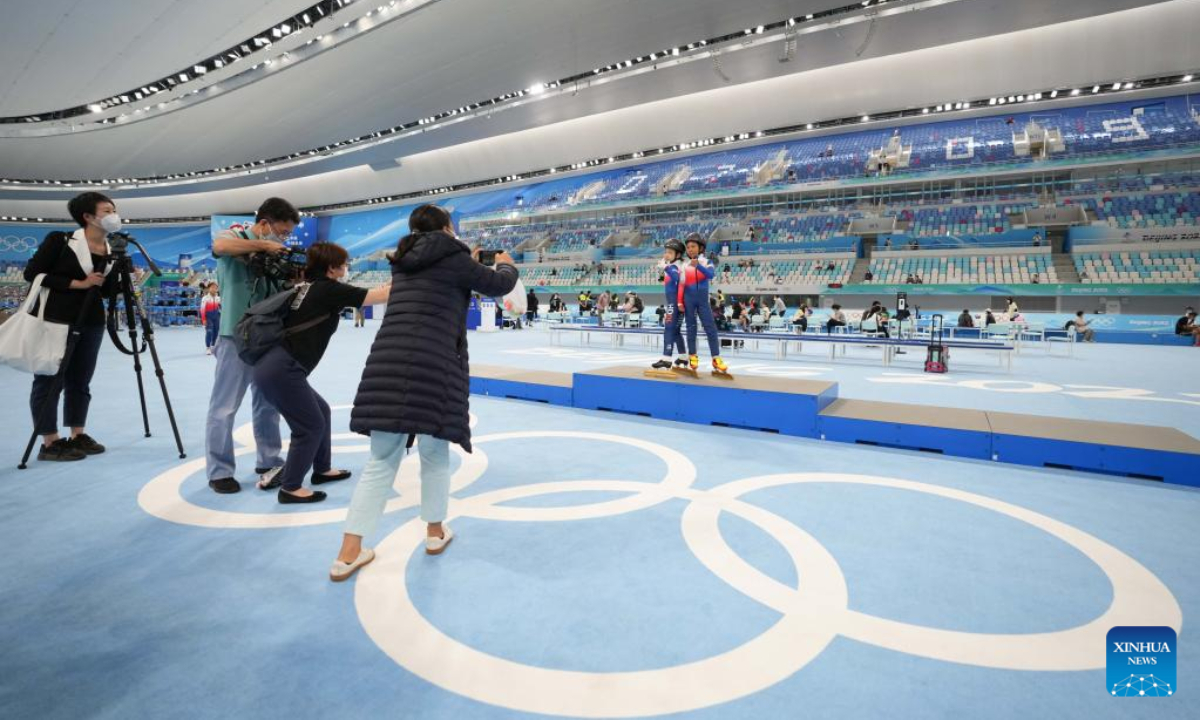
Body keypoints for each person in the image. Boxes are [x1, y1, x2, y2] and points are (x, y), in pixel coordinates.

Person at [332, 205, 518, 581]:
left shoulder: (401, 262)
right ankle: (434, 533)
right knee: (435, 454)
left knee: (381, 461)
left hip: (388, 360)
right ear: (448, 229)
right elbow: (500, 285)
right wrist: (507, 263)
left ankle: (347, 553)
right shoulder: (454, 257)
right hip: (434, 363)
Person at [251, 243, 391, 504]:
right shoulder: (329, 289)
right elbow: (379, 296)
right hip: (283, 369)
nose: (346, 267)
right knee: (309, 427)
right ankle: (290, 487)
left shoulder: (306, 287)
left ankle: (322, 469)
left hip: (273, 364)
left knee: (321, 411)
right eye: (344, 263)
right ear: (331, 268)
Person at [205, 197, 296, 494]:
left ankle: (269, 460)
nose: (282, 238)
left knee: (269, 404)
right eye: (280, 232)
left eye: (286, 235)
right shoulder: (235, 236)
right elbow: (220, 247)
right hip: (235, 336)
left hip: (269, 336)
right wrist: (265, 246)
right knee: (224, 407)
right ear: (263, 223)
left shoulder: (279, 254)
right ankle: (219, 471)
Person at [23, 192, 120, 462]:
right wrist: (80, 283)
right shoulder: (60, 240)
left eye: (114, 209)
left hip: (92, 321)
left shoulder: (113, 249)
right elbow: (32, 274)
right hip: (57, 319)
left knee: (81, 380)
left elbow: (106, 291)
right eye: (107, 210)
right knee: (49, 378)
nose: (114, 215)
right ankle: (49, 442)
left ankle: (78, 434)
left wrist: (122, 278)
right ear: (88, 216)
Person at [679, 233, 730, 375]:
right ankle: (692, 356)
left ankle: (716, 358)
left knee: (710, 328)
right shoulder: (684, 265)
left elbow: (710, 275)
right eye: (688, 247)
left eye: (693, 246)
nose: (690, 249)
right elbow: (681, 285)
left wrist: (698, 266)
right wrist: (679, 302)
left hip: (703, 301)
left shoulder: (707, 261)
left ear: (701, 247)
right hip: (688, 301)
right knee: (691, 328)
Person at [650, 239, 689, 371]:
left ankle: (666, 359)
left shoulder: (675, 266)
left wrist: (665, 267)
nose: (666, 254)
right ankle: (683, 357)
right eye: (666, 252)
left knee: (669, 329)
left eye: (670, 252)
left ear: (678, 255)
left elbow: (676, 278)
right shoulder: (676, 265)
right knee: (676, 331)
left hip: (674, 303)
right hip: (678, 303)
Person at [200, 282, 221, 354]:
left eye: (215, 288)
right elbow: (202, 309)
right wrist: (203, 319)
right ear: (209, 289)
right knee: (209, 331)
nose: (214, 289)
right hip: (208, 316)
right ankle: (208, 347)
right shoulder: (205, 298)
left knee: (216, 332)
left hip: (216, 316)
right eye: (212, 287)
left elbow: (221, 307)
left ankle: (213, 346)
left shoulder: (218, 298)